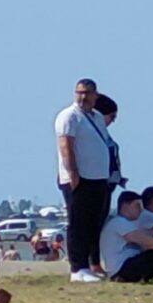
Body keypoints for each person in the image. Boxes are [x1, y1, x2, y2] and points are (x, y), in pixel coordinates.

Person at [55, 78, 118, 284]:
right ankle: (77, 267)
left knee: (92, 223)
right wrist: (73, 173)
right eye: (79, 92)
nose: (83, 97)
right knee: (78, 223)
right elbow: (66, 146)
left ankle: (89, 265)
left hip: (98, 178)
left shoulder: (97, 117)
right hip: (80, 178)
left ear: (95, 95)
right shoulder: (69, 116)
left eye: (87, 93)